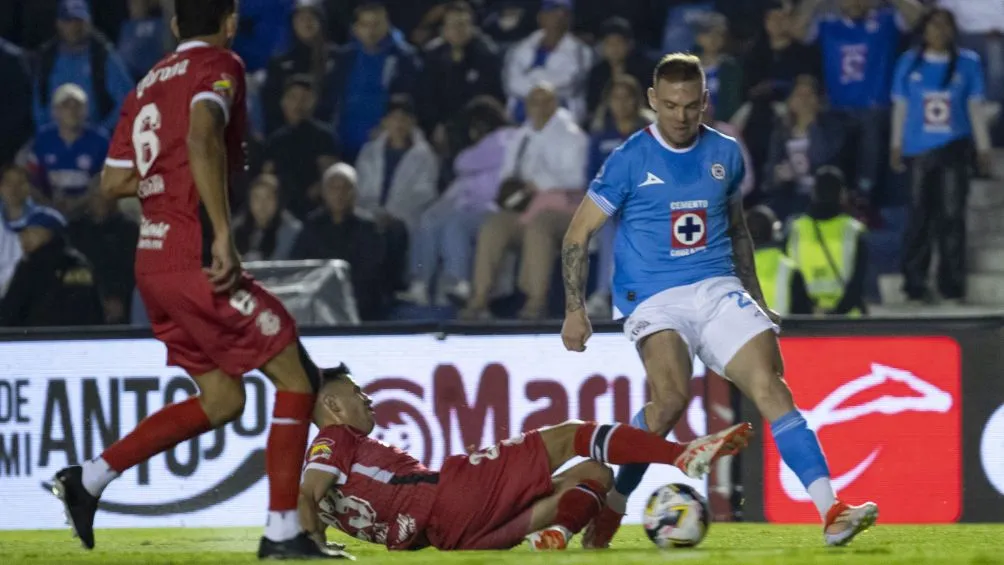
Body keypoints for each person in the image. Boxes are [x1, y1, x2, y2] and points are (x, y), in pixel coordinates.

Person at [49, 1, 342, 559]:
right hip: (195, 257)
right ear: (229, 21)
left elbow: (111, 182)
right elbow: (204, 134)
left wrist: (165, 179)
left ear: (176, 25)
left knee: (222, 397)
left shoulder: (146, 83)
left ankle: (87, 479)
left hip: (153, 264)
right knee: (297, 375)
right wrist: (223, 234)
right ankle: (282, 532)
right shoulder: (219, 65)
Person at [559, 53, 878, 549]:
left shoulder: (726, 153)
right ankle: (613, 505)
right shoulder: (628, 159)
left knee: (771, 387)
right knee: (669, 404)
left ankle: (832, 511)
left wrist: (755, 297)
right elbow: (578, 233)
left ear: (705, 100)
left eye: (690, 105)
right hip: (652, 297)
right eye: (669, 106)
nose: (681, 117)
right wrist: (575, 309)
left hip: (716, 286)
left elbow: (737, 229)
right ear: (652, 101)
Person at [298, 365, 754, 551]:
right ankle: (681, 455)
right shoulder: (335, 437)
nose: (368, 400)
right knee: (569, 436)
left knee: (596, 472)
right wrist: (308, 549)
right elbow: (306, 494)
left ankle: (562, 528)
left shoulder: (332, 470)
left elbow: (311, 499)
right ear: (334, 407)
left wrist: (316, 539)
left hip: (450, 539)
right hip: (451, 496)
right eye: (357, 394)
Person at [461, 83, 588, 321]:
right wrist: (515, 187)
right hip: (527, 205)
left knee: (539, 227)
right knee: (494, 225)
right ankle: (479, 298)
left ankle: (535, 302)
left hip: (565, 208)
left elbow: (577, 177)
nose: (538, 108)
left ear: (553, 104)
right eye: (533, 102)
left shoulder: (572, 135)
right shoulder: (522, 135)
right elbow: (508, 173)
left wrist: (539, 182)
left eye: (543, 101)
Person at [891, 8, 992, 305]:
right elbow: (900, 107)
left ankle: (952, 285)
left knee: (952, 217)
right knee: (919, 217)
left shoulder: (968, 63)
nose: (939, 31)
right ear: (924, 31)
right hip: (917, 150)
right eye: (934, 25)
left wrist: (983, 148)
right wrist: (895, 145)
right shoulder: (908, 63)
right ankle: (915, 283)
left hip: (954, 147)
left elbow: (975, 108)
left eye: (945, 25)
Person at [0, 205, 104, 327]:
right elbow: (97, 314)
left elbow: (10, 311)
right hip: (78, 342)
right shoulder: (80, 263)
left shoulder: (32, 266)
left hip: (37, 341)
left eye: (29, 232)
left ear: (47, 233)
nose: (23, 238)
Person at [786, 167, 868, 316]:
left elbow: (791, 280)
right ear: (842, 194)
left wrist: (811, 311)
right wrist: (836, 314)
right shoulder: (854, 231)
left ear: (813, 192)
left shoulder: (795, 230)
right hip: (847, 322)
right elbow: (858, 284)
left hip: (805, 321)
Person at [28, 83, 110, 218]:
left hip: (89, 209)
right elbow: (29, 176)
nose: (72, 111)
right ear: (55, 111)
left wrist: (79, 202)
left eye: (77, 105)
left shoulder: (100, 140)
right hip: (49, 205)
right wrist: (47, 204)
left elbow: (107, 178)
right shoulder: (42, 139)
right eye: (66, 106)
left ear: (86, 110)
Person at [746, 205, 812, 316]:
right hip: (783, 332)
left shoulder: (730, 270)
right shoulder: (790, 270)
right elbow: (804, 317)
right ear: (774, 231)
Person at [231, 174, 303, 262]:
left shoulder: (292, 232)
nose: (262, 204)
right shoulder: (235, 228)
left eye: (268, 197)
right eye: (257, 198)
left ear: (278, 201)